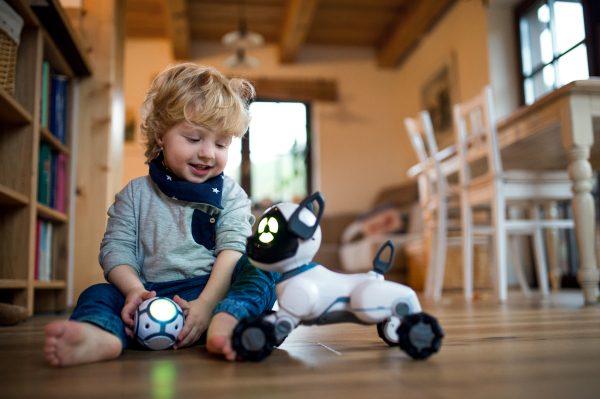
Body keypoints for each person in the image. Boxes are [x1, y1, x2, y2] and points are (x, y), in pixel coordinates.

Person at [44, 63, 279, 366]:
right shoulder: (134, 194)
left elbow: (233, 249)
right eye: (194, 139)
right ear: (160, 134)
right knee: (98, 293)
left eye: (221, 143)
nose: (208, 152)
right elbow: (116, 251)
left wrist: (207, 304)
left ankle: (227, 320)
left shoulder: (232, 194)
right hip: (148, 296)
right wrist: (134, 293)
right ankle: (100, 334)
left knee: (264, 261)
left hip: (212, 290)